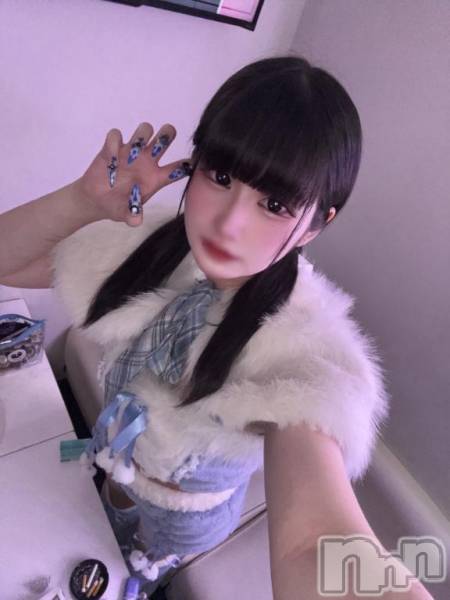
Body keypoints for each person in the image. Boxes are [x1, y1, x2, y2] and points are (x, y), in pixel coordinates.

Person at [0, 56, 432, 599]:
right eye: (221, 177)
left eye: (274, 204)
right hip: (117, 459)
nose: (229, 223)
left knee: (140, 563)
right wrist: (80, 203)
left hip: (182, 513)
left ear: (317, 223)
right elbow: (7, 260)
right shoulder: (158, 243)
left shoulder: (303, 351)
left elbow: (312, 541)